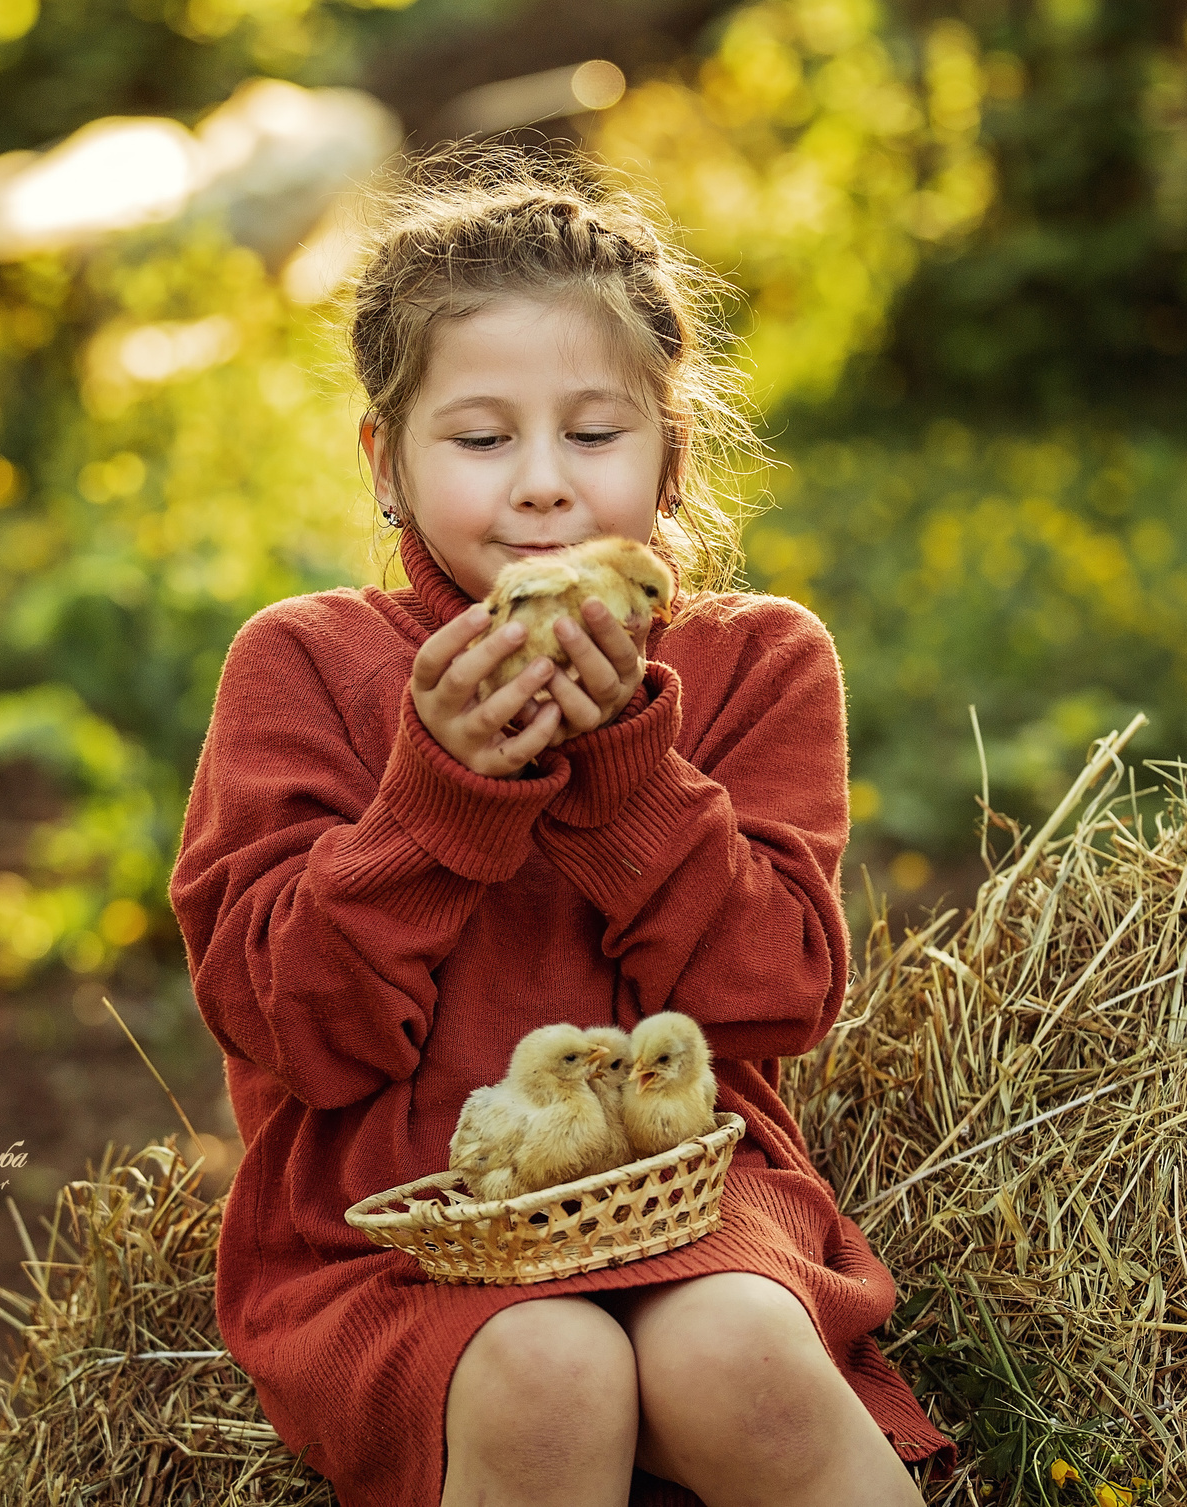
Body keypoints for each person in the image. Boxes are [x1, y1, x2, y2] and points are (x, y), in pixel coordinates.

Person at [170, 151, 950, 1507]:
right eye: (480, 440)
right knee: (550, 1375)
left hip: (684, 1198)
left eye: (594, 436)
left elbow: (776, 997)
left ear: (670, 454)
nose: (541, 488)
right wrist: (439, 797)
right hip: (402, 1228)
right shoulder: (302, 665)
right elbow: (290, 1023)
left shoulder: (758, 661)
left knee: (739, 1355)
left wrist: (630, 771)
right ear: (389, 461)